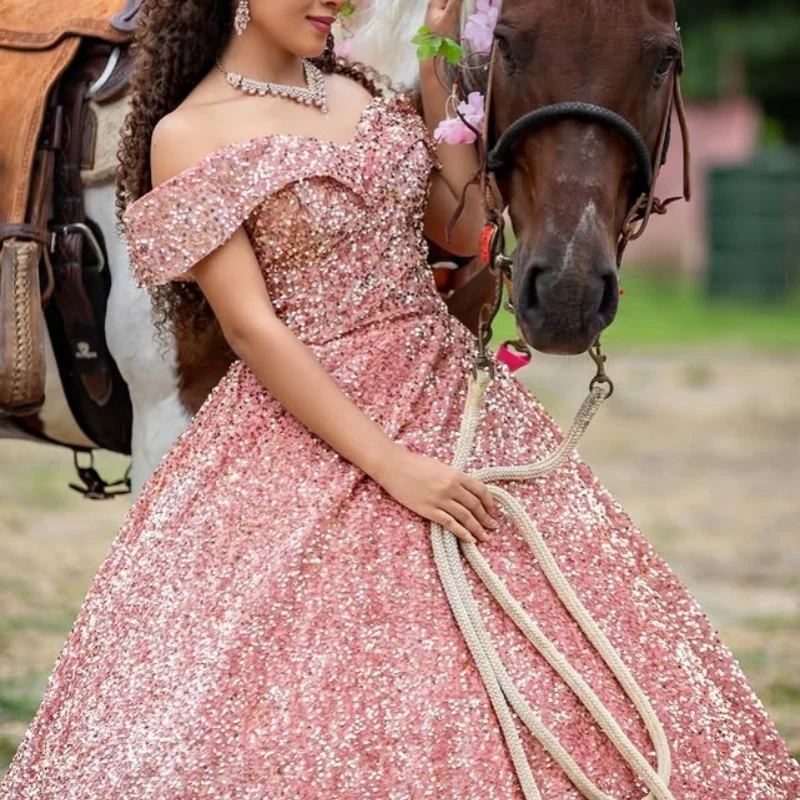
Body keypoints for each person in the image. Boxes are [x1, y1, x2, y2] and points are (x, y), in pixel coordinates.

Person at [2, 0, 799, 797]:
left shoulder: (359, 95)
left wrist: (435, 87)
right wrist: (395, 466)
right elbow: (253, 333)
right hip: (307, 425)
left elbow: (458, 238)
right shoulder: (187, 135)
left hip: (441, 384)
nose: (331, 5)